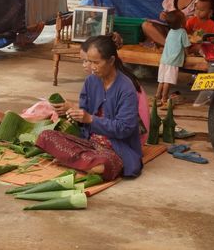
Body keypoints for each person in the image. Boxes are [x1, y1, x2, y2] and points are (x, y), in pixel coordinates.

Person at [36, 35, 143, 181]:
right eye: (89, 61)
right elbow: (84, 116)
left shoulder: (126, 88)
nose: (91, 67)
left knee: (103, 165)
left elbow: (125, 128)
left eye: (96, 62)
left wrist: (90, 119)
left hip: (115, 149)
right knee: (45, 136)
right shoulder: (90, 81)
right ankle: (82, 162)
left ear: (111, 61)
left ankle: (73, 161)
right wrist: (72, 113)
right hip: (88, 143)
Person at [155, 10, 191, 109]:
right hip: (173, 61)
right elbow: (186, 45)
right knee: (167, 81)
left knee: (161, 80)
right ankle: (164, 99)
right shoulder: (182, 32)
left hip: (164, 59)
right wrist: (189, 54)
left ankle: (157, 96)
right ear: (181, 22)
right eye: (184, 17)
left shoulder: (170, 31)